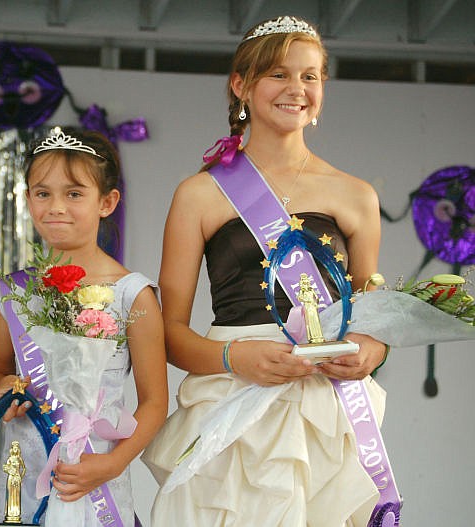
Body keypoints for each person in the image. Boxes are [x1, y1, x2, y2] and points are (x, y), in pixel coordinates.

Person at [142, 15, 392, 526]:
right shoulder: (199, 194)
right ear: (242, 85)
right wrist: (235, 357)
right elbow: (166, 334)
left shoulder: (357, 196)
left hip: (322, 410)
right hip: (232, 398)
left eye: (311, 76)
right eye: (279, 74)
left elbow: (374, 319)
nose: (296, 89)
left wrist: (371, 351)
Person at [0, 128, 168, 526]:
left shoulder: (132, 294)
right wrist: (3, 391)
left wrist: (113, 463)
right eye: (42, 192)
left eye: (74, 193)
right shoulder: (12, 293)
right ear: (28, 198)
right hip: (26, 477)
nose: (56, 206)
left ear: (107, 202)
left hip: (97, 476)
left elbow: (155, 403)